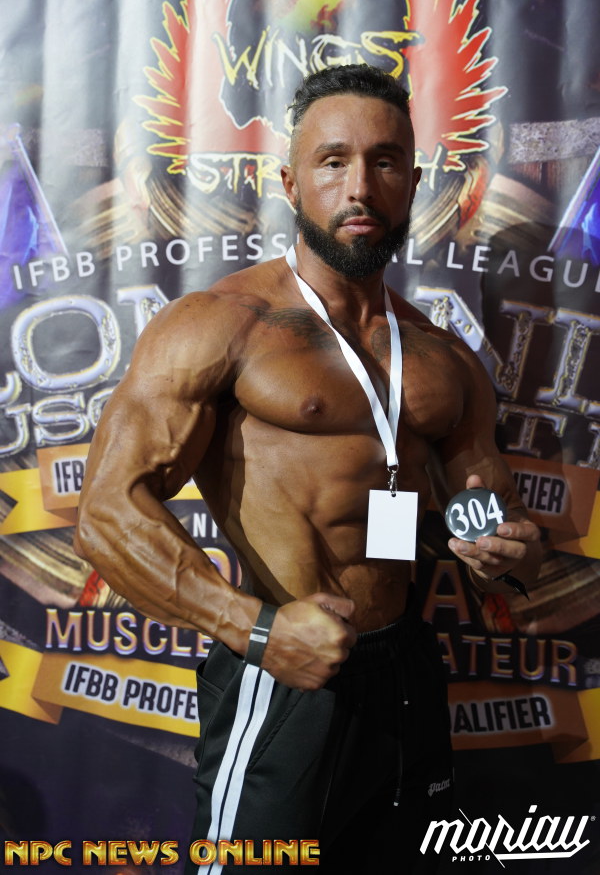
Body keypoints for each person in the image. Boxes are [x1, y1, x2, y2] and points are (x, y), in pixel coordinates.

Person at [75, 64, 541, 873]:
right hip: (282, 673)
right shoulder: (220, 325)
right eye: (333, 161)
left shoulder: (444, 356)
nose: (359, 186)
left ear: (414, 183)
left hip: (408, 670)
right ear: (290, 183)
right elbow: (106, 514)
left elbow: (498, 531)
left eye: (385, 161)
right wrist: (254, 632)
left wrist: (511, 554)